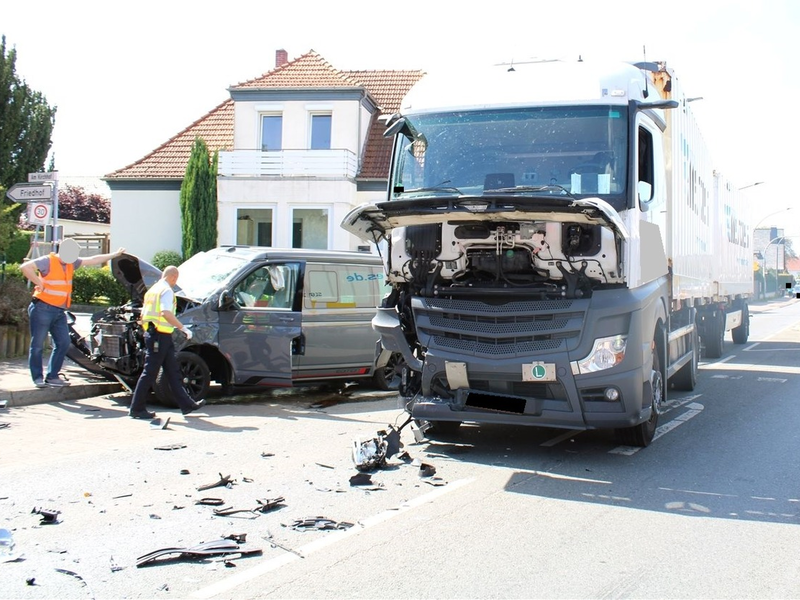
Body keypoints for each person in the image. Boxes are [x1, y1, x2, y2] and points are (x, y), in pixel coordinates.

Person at [20, 238, 126, 388]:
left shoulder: (71, 263)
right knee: (37, 345)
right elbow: (25, 267)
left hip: (59, 311)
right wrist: (39, 282)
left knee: (63, 343)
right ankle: (37, 378)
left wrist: (114, 255)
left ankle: (52, 376)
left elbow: (93, 259)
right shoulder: (48, 261)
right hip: (43, 307)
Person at [127, 265, 205, 420]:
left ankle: (187, 404)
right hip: (159, 336)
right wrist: (183, 328)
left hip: (158, 335)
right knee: (150, 372)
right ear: (174, 277)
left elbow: (144, 314)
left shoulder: (152, 290)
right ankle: (136, 409)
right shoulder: (167, 291)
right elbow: (166, 313)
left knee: (172, 371)